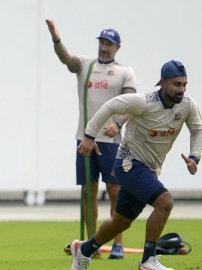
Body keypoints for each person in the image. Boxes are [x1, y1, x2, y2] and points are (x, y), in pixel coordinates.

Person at [70, 60, 202, 270]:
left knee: (121, 223)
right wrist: (89, 136)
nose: (182, 89)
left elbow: (197, 129)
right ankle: (148, 260)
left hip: (149, 169)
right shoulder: (144, 102)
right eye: (176, 84)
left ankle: (84, 250)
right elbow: (111, 105)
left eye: (184, 84)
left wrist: (195, 157)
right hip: (128, 163)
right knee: (165, 202)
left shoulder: (187, 105)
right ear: (162, 82)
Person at [46, 19, 137, 259]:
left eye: (109, 43)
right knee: (88, 192)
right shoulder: (86, 65)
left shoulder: (124, 72)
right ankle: (92, 244)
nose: (104, 47)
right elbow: (66, 58)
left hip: (111, 141)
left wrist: (117, 123)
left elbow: (131, 105)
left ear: (117, 47)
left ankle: (117, 243)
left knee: (116, 191)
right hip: (84, 138)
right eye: (102, 42)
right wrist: (56, 39)